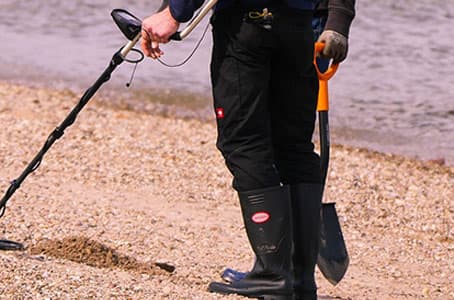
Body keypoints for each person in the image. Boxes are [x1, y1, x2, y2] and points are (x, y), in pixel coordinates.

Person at [138, 0, 353, 298]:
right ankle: (299, 279)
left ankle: (272, 275)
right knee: (295, 147)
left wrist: (174, 12)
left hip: (247, 22)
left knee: (244, 142)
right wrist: (338, 23)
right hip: (300, 24)